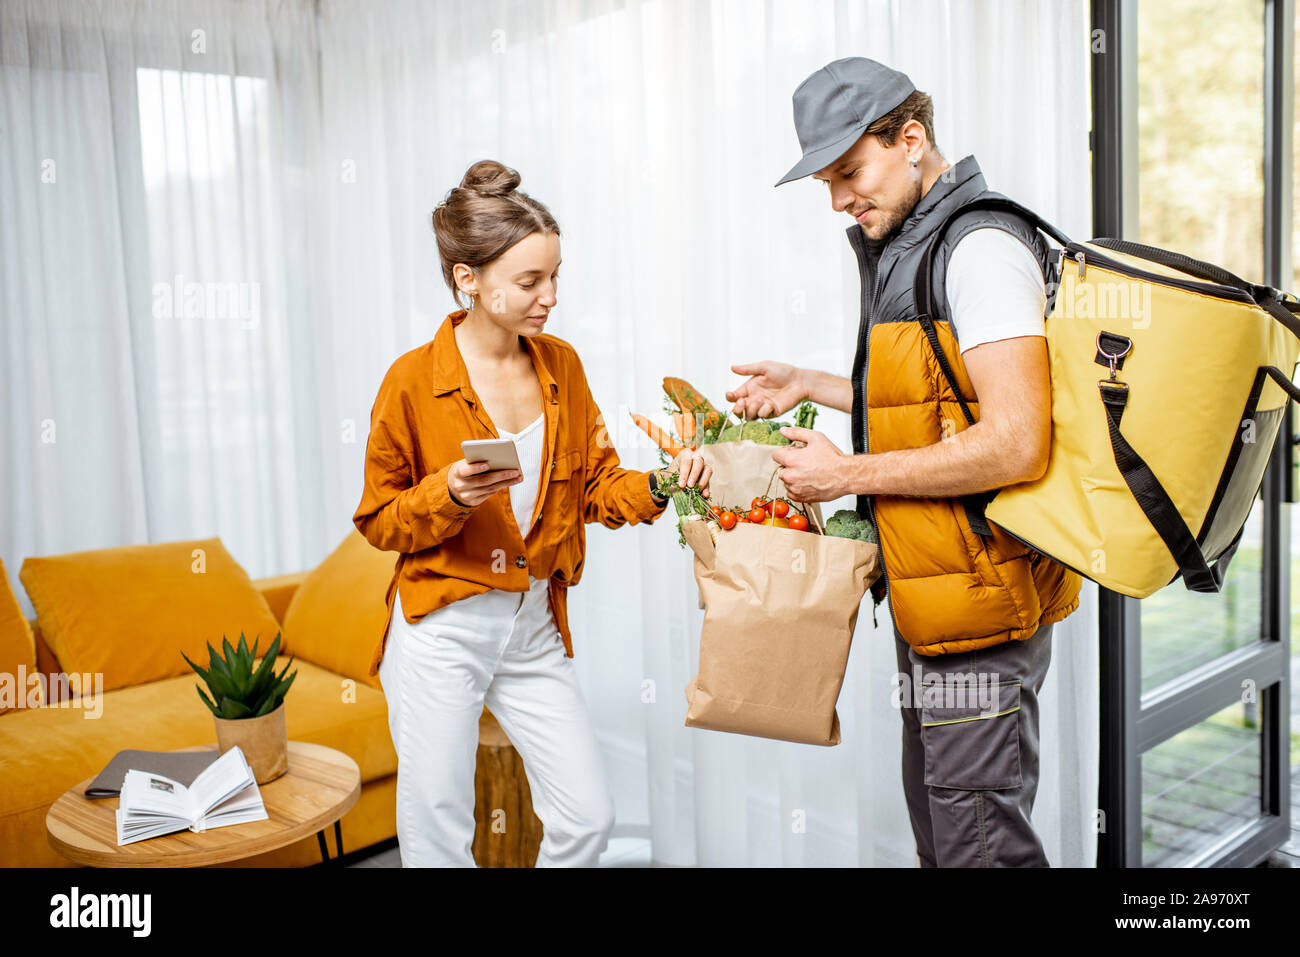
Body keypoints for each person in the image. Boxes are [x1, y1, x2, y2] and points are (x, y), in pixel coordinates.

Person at [728, 58, 1081, 867]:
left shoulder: (980, 249)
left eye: (850, 171)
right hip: (937, 601)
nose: (839, 200)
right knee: (944, 835)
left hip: (979, 613)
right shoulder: (916, 242)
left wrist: (845, 475)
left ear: (911, 138)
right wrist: (812, 383)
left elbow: (1016, 441)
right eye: (827, 181)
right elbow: (940, 406)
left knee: (977, 848)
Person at [352, 159, 711, 867]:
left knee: (587, 817)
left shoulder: (561, 366)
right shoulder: (411, 382)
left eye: (554, 277)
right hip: (441, 630)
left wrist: (665, 482)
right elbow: (379, 519)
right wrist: (449, 495)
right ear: (468, 280)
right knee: (438, 838)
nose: (550, 297)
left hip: (532, 629)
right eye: (529, 281)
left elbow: (599, 486)